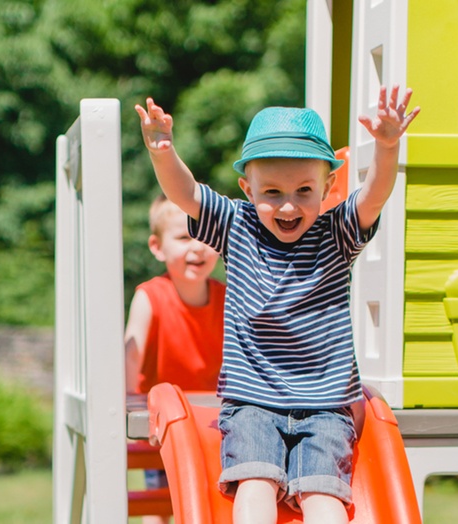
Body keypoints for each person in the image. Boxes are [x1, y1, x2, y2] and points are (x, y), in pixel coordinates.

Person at [135, 85, 419, 524]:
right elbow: (185, 193)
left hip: (326, 407)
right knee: (255, 486)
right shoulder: (236, 225)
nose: (288, 205)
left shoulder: (335, 233)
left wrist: (387, 146)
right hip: (252, 403)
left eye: (304, 190)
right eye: (272, 192)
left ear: (328, 187)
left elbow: (374, 195)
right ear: (248, 189)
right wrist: (163, 151)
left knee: (324, 500)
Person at [124, 194, 226, 524]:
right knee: (159, 503)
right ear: (157, 247)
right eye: (184, 237)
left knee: (209, 503)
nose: (197, 246)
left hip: (210, 424)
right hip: (160, 425)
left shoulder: (228, 298)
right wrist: (130, 410)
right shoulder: (150, 296)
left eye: (206, 236)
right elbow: (131, 357)